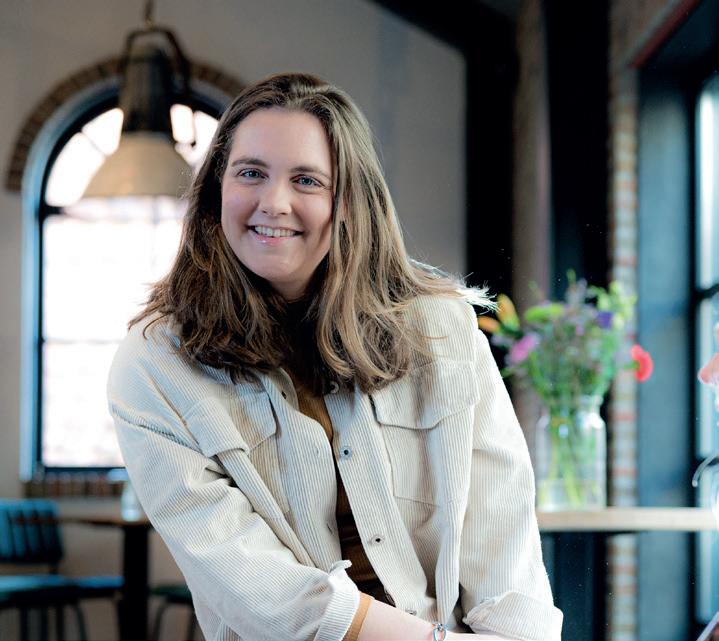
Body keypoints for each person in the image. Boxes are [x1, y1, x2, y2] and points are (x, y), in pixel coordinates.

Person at [107, 72, 562, 641]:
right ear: (217, 188)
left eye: (307, 180)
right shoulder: (154, 363)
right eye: (250, 173)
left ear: (349, 201)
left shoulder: (442, 328)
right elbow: (259, 590)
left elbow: (504, 535)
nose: (274, 203)